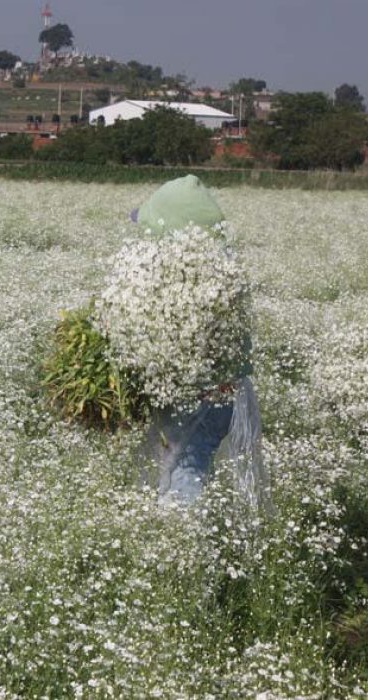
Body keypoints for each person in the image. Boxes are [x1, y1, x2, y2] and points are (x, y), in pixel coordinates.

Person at [129, 175, 267, 506]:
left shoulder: (175, 275)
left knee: (183, 470)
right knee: (190, 464)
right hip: (222, 392)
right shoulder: (224, 270)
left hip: (193, 394)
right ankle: (188, 538)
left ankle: (181, 543)